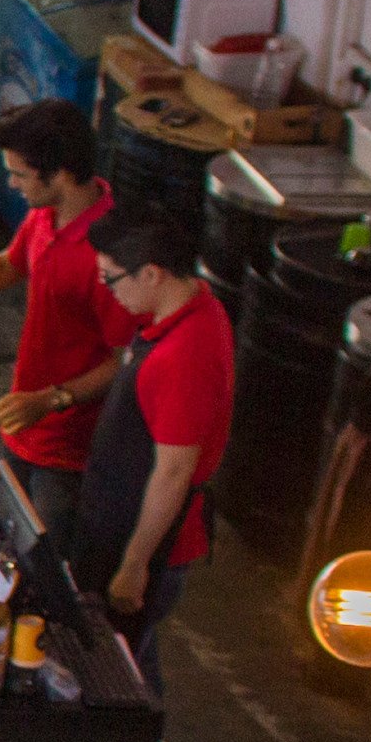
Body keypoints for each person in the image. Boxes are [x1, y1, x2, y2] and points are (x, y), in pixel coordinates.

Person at [0, 100, 129, 548]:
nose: (11, 183)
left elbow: (125, 360)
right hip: (23, 422)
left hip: (68, 452)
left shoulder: (110, 254)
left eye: (19, 174)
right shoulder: (44, 214)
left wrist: (53, 399)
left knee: (45, 557)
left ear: (60, 174)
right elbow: (6, 266)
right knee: (9, 535)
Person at [70, 203, 233, 683]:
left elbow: (173, 472)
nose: (108, 292)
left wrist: (135, 565)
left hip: (146, 543)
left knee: (115, 671)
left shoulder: (183, 357)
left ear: (153, 274)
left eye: (111, 280)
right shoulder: (196, 304)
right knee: (135, 659)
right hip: (118, 514)